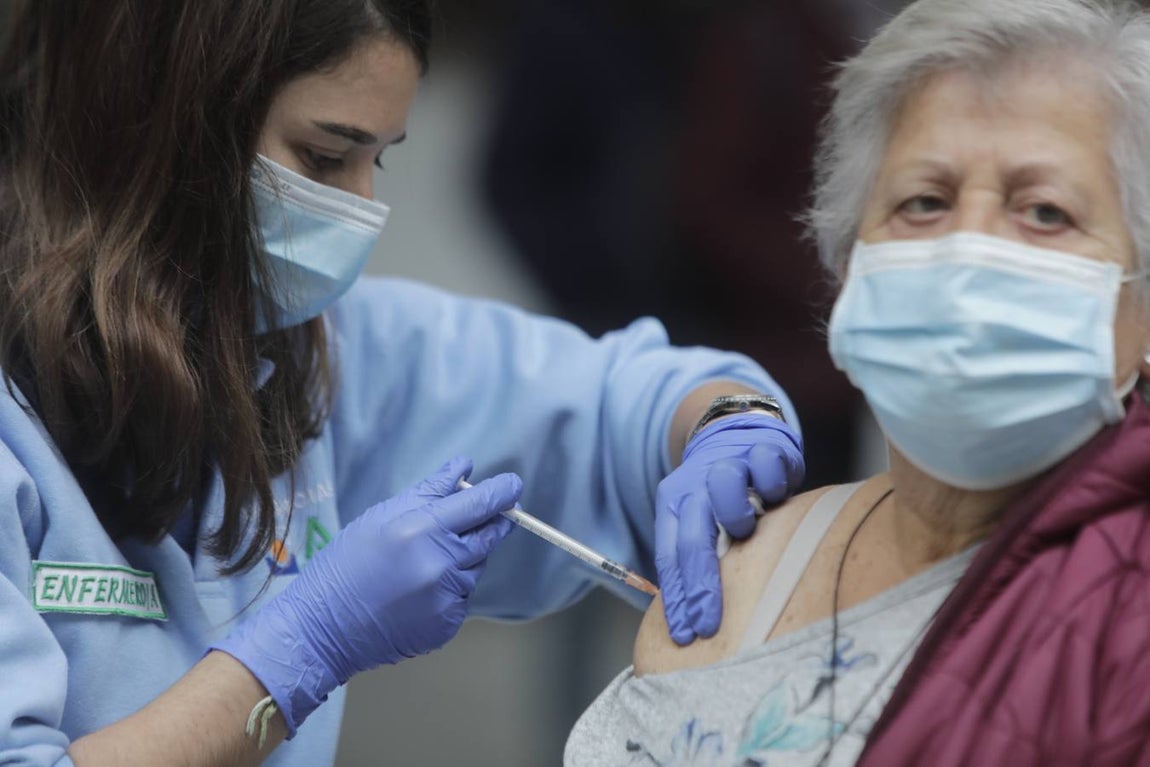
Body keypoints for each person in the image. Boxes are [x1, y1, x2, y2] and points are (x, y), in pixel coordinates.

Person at [0, 1, 807, 765]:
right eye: (324, 156)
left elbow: (621, 399)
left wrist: (728, 418)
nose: (362, 209)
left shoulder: (314, 352)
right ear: (164, 122)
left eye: (378, 158)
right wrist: (298, 651)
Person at [565, 0, 1150, 764]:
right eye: (924, 202)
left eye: (1044, 211)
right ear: (847, 271)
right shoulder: (748, 572)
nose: (965, 253)